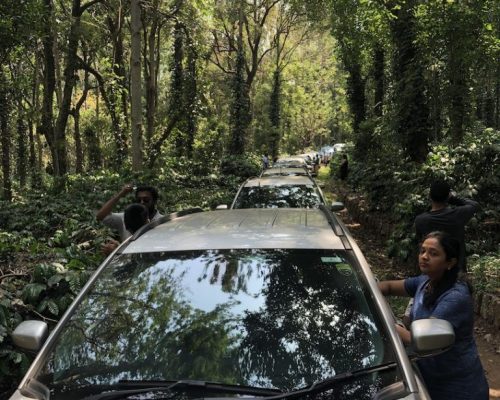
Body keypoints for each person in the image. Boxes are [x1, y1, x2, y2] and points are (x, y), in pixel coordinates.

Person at [378, 231, 489, 400]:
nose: (424, 257)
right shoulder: (425, 281)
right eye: (422, 251)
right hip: (430, 381)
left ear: (450, 262)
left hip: (458, 389)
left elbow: (424, 339)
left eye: (433, 253)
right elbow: (389, 287)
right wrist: (359, 290)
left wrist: (385, 324)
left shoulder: (455, 297)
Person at [415, 180, 479, 271]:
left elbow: (420, 245)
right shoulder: (458, 215)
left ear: (430, 196)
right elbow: (474, 205)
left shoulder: (420, 220)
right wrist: (453, 198)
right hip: (456, 271)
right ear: (447, 196)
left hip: (432, 271)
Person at [97, 184, 162, 254]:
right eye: (138, 200)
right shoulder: (125, 217)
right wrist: (120, 195)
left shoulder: (163, 222)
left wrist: (118, 250)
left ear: (154, 201)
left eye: (146, 200)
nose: (142, 202)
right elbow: (101, 216)